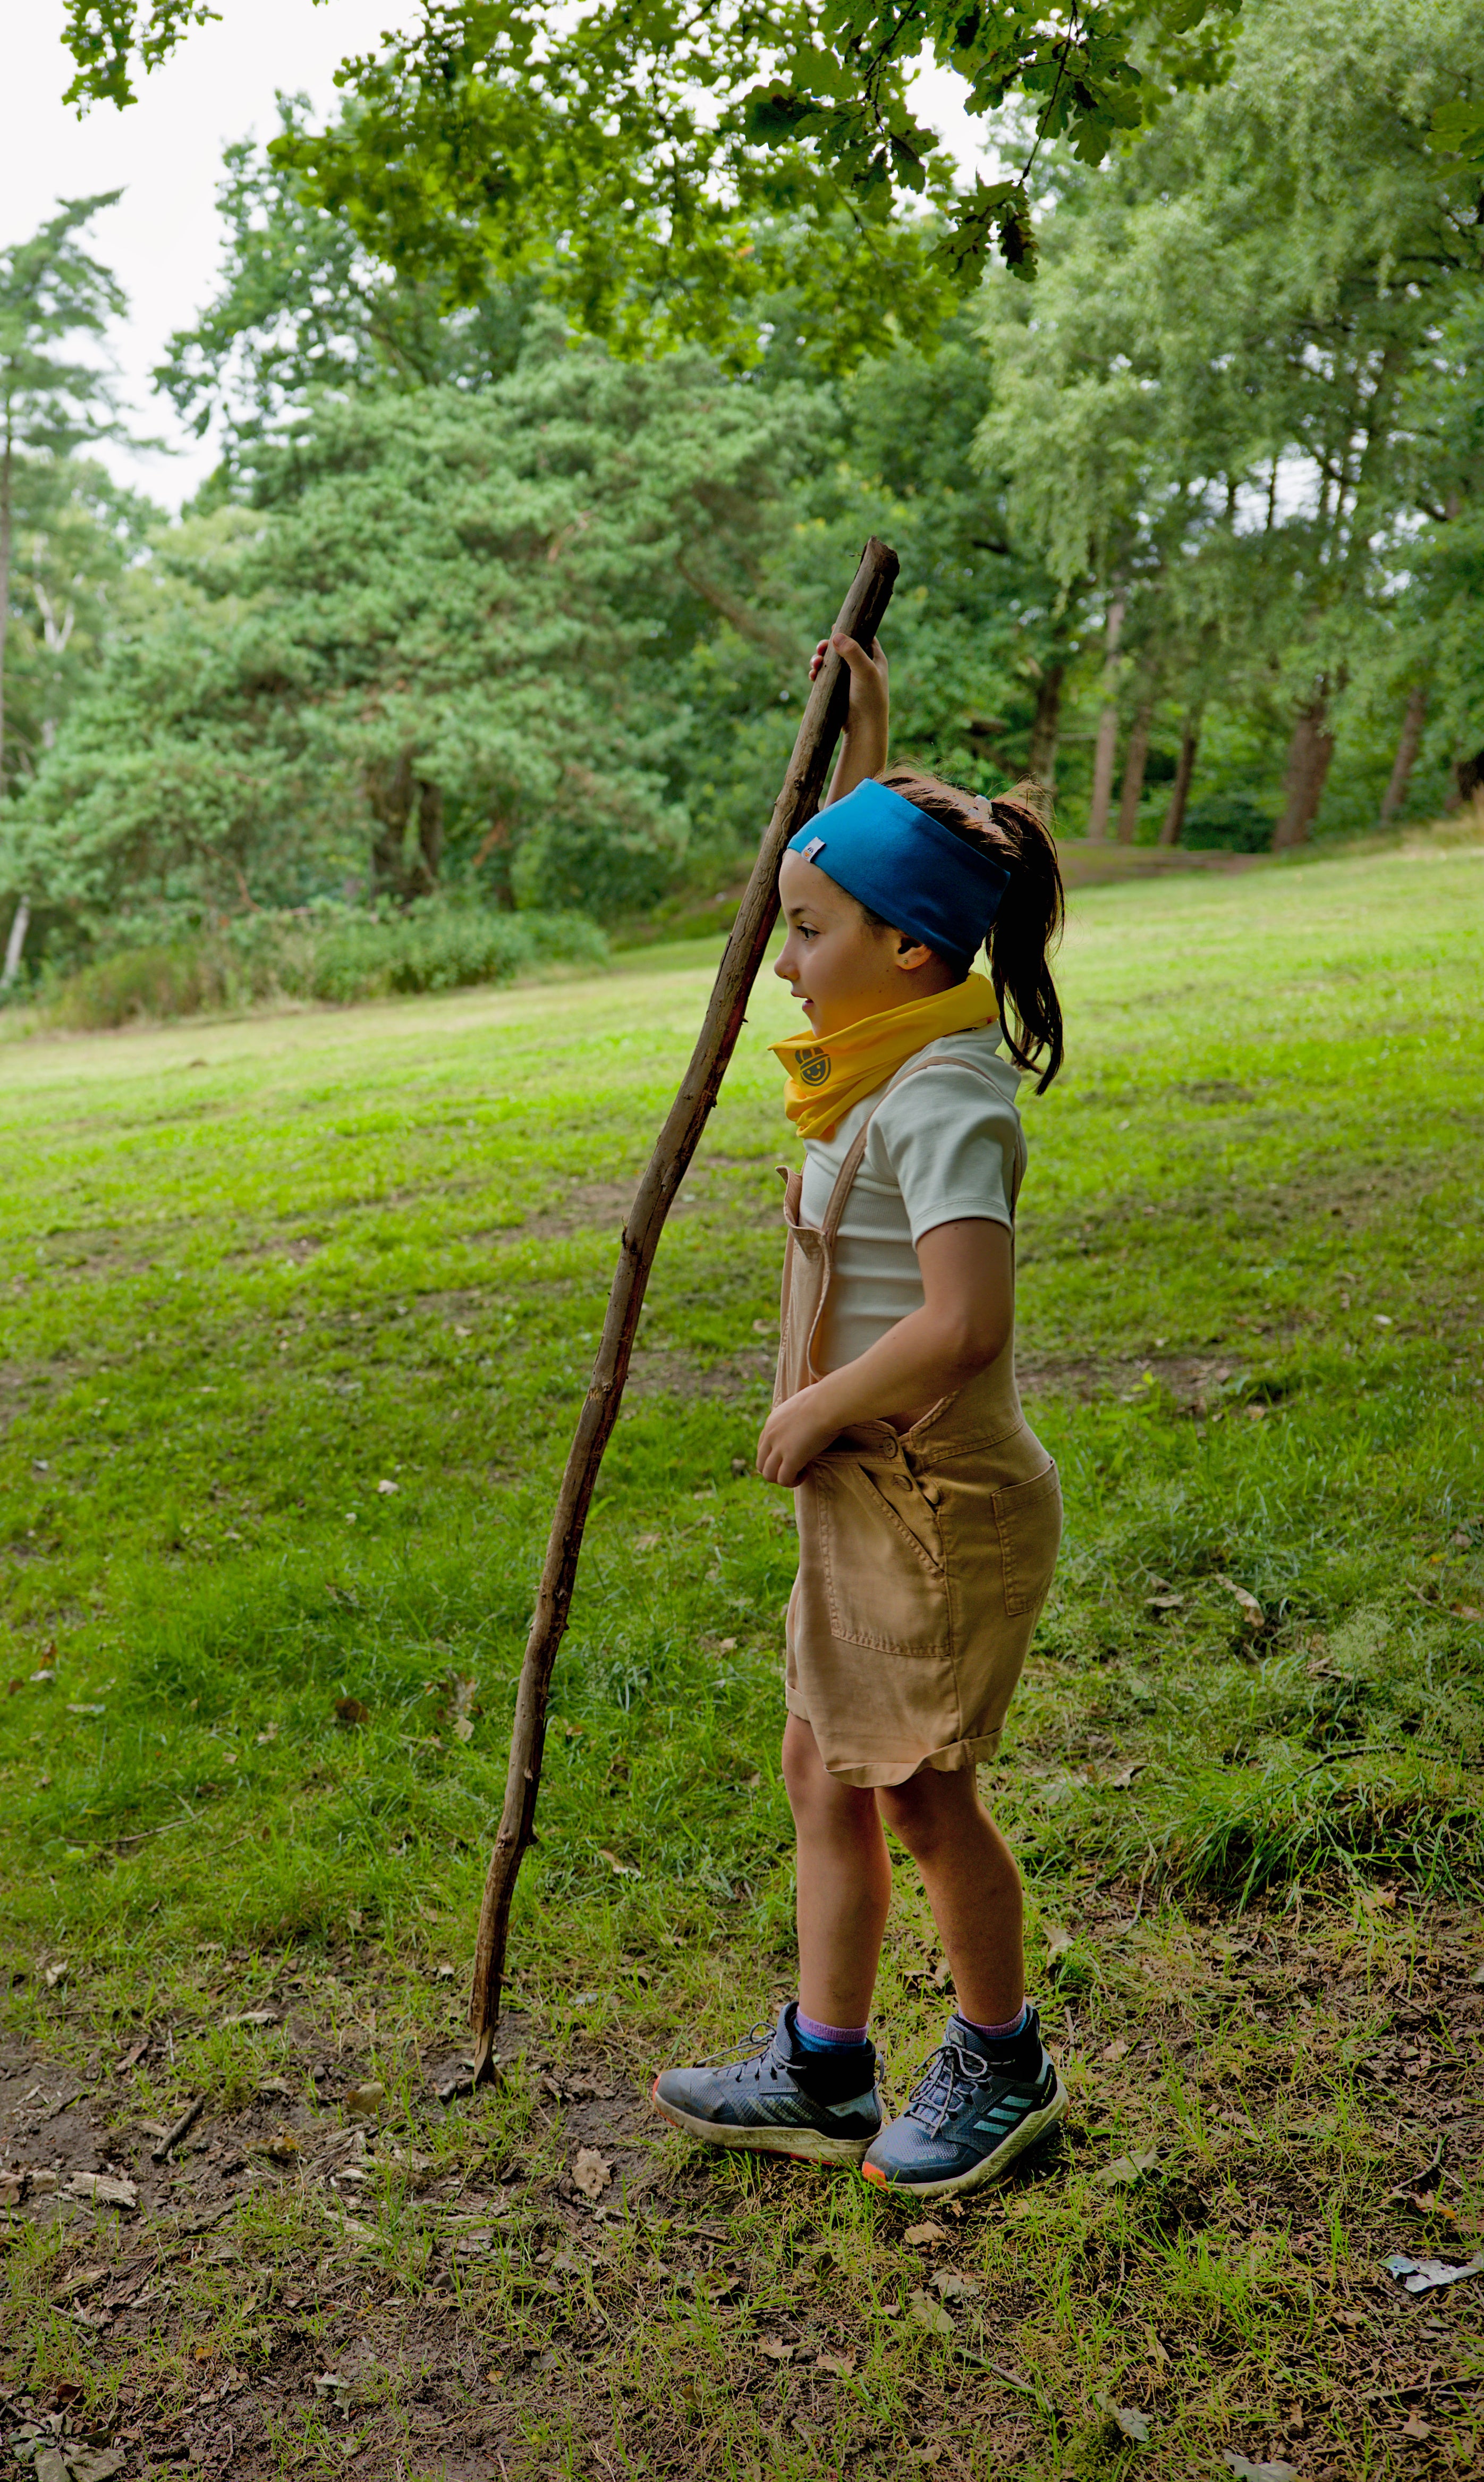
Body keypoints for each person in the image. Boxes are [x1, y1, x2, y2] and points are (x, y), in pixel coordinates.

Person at [651, 628, 1069, 2200]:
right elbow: (853, 861)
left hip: (934, 1497)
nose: (780, 957)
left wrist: (821, 1398)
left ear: (905, 949)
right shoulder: (878, 1043)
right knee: (822, 1765)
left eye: (805, 931)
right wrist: (866, 730)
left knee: (914, 1786)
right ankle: (828, 2066)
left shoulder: (940, 1095)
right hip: (862, 1488)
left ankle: (1001, 2057)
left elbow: (964, 1323)